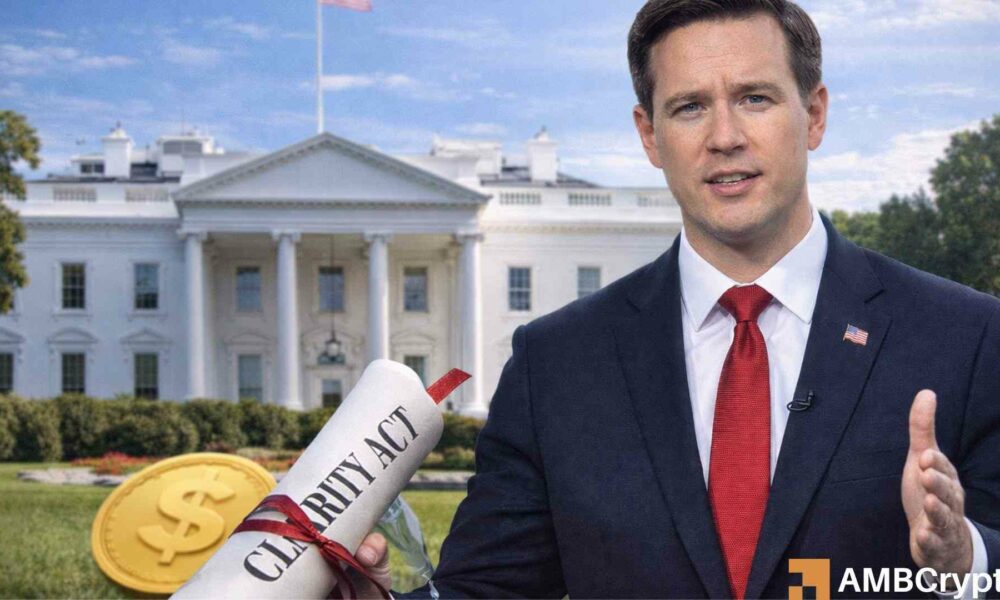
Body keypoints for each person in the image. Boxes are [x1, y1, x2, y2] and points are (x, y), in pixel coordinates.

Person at [352, 1, 1000, 597]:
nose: (724, 136)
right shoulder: (555, 365)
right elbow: (486, 590)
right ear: (649, 135)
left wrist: (965, 560)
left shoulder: (965, 338)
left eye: (754, 98)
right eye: (690, 107)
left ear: (815, 114)